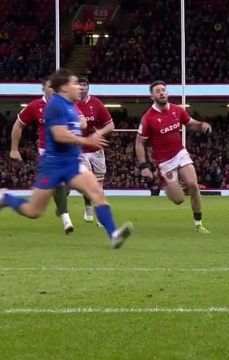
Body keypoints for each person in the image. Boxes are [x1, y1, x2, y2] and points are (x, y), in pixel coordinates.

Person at [0, 69, 133, 249]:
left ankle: (113, 235)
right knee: (33, 211)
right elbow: (59, 135)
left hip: (72, 163)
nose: (80, 87)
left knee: (97, 193)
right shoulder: (55, 105)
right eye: (75, 83)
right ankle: (6, 197)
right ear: (64, 87)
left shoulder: (71, 105)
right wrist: (87, 140)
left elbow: (79, 125)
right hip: (53, 164)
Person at [135, 80, 212, 233]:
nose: (161, 92)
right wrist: (144, 166)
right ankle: (168, 184)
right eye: (157, 91)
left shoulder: (177, 110)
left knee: (193, 185)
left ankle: (198, 224)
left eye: (163, 90)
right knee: (179, 200)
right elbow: (139, 143)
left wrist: (201, 125)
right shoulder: (148, 118)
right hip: (164, 162)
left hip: (180, 153)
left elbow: (190, 123)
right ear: (152, 96)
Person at [10, 77, 75, 234]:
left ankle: (60, 205)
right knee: (59, 183)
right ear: (43, 89)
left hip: (68, 150)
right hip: (47, 150)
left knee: (69, 184)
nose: (54, 89)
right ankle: (66, 219)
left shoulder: (66, 103)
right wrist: (14, 149)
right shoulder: (35, 106)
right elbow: (18, 125)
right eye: (50, 86)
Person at [76, 77, 114, 224]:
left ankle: (101, 213)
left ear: (88, 88)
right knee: (87, 181)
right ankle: (88, 205)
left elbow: (110, 125)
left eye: (85, 85)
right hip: (79, 149)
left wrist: (99, 133)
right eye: (80, 85)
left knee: (99, 183)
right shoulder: (71, 104)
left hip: (96, 149)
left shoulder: (96, 104)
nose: (82, 88)